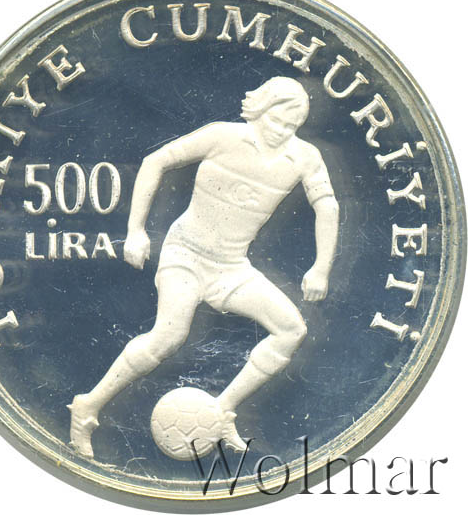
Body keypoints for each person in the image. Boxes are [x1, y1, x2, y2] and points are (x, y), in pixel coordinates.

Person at [68, 76, 339, 458]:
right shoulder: (222, 136)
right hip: (186, 255)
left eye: (292, 126)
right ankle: (88, 406)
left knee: (291, 330)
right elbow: (156, 161)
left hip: (232, 267)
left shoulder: (304, 157)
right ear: (258, 110)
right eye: (277, 121)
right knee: (168, 336)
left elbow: (327, 206)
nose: (282, 131)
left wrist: (321, 268)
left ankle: (222, 409)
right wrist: (135, 232)